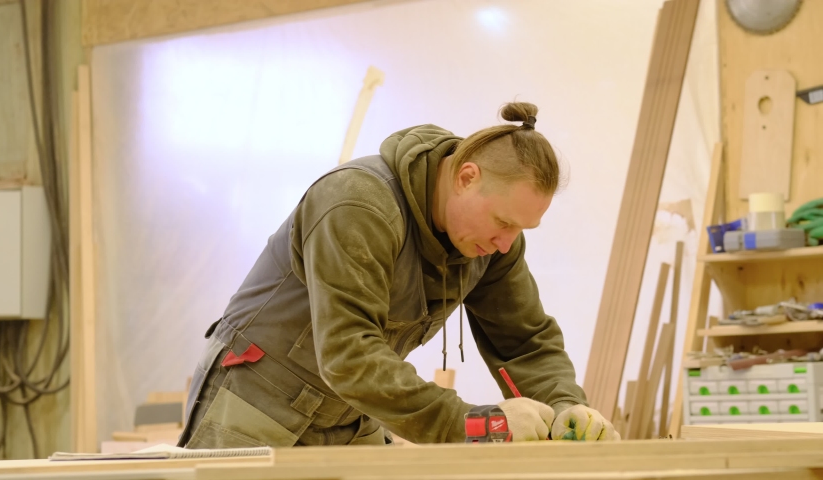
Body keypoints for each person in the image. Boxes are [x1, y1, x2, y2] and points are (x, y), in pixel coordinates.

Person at [177, 101, 620, 448]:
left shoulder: (491, 243)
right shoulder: (358, 204)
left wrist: (567, 406)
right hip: (259, 399)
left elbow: (522, 342)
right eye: (504, 222)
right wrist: (477, 423)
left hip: (349, 409)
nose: (508, 243)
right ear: (467, 177)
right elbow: (350, 355)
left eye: (522, 229)